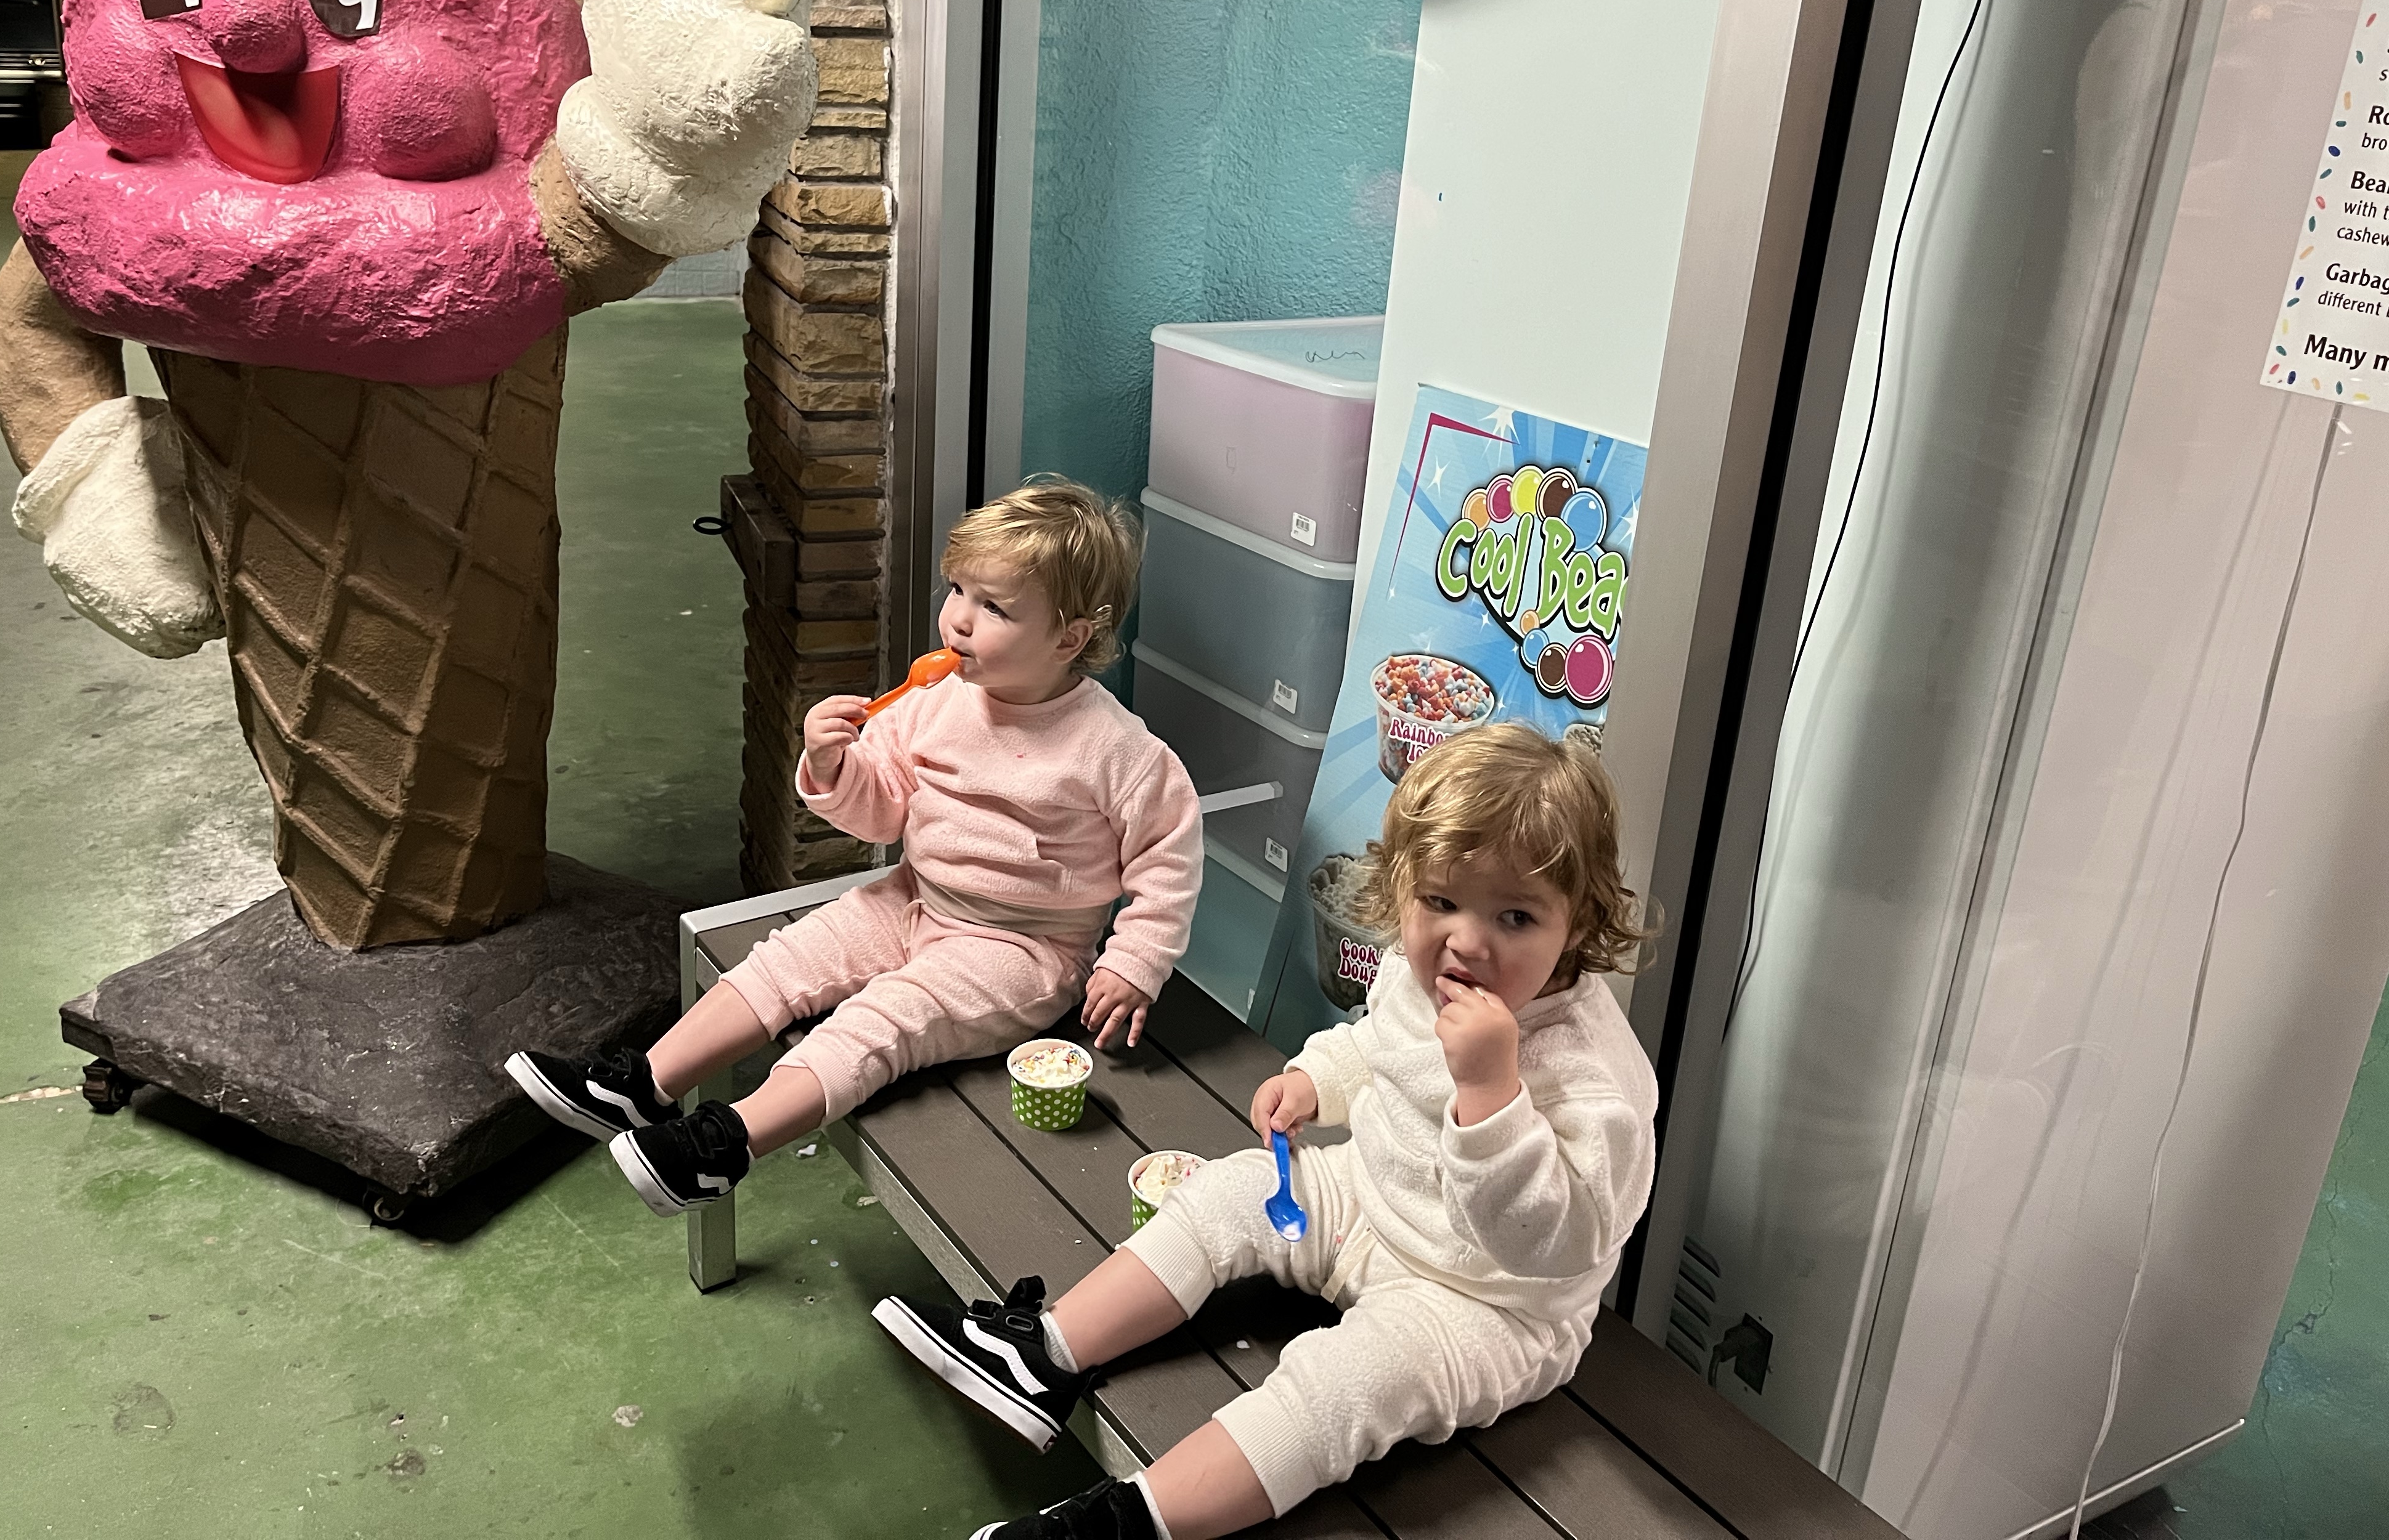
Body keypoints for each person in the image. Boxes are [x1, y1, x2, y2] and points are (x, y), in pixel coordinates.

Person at [875, 720, 1658, 1540]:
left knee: (1345, 1382)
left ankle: (1125, 1524)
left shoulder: (1593, 1078)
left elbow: (1558, 1246)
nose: (1467, 939)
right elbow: (1379, 1047)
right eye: (1440, 902)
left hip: (1487, 1304)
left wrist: (1492, 1095)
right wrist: (1315, 1080)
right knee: (1231, 1192)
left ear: (1579, 923)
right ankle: (1039, 1354)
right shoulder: (1422, 972)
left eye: (1517, 917)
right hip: (1370, 1199)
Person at [502, 477, 1202, 1214]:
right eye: (957, 590)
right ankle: (640, 1086)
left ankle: (723, 1148)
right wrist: (834, 765)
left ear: (1069, 639)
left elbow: (1169, 859)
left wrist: (1133, 963)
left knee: (885, 1017)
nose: (959, 620)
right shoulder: (933, 700)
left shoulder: (1116, 750)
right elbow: (883, 813)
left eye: (994, 607)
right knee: (787, 958)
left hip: (1024, 948)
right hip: (911, 897)